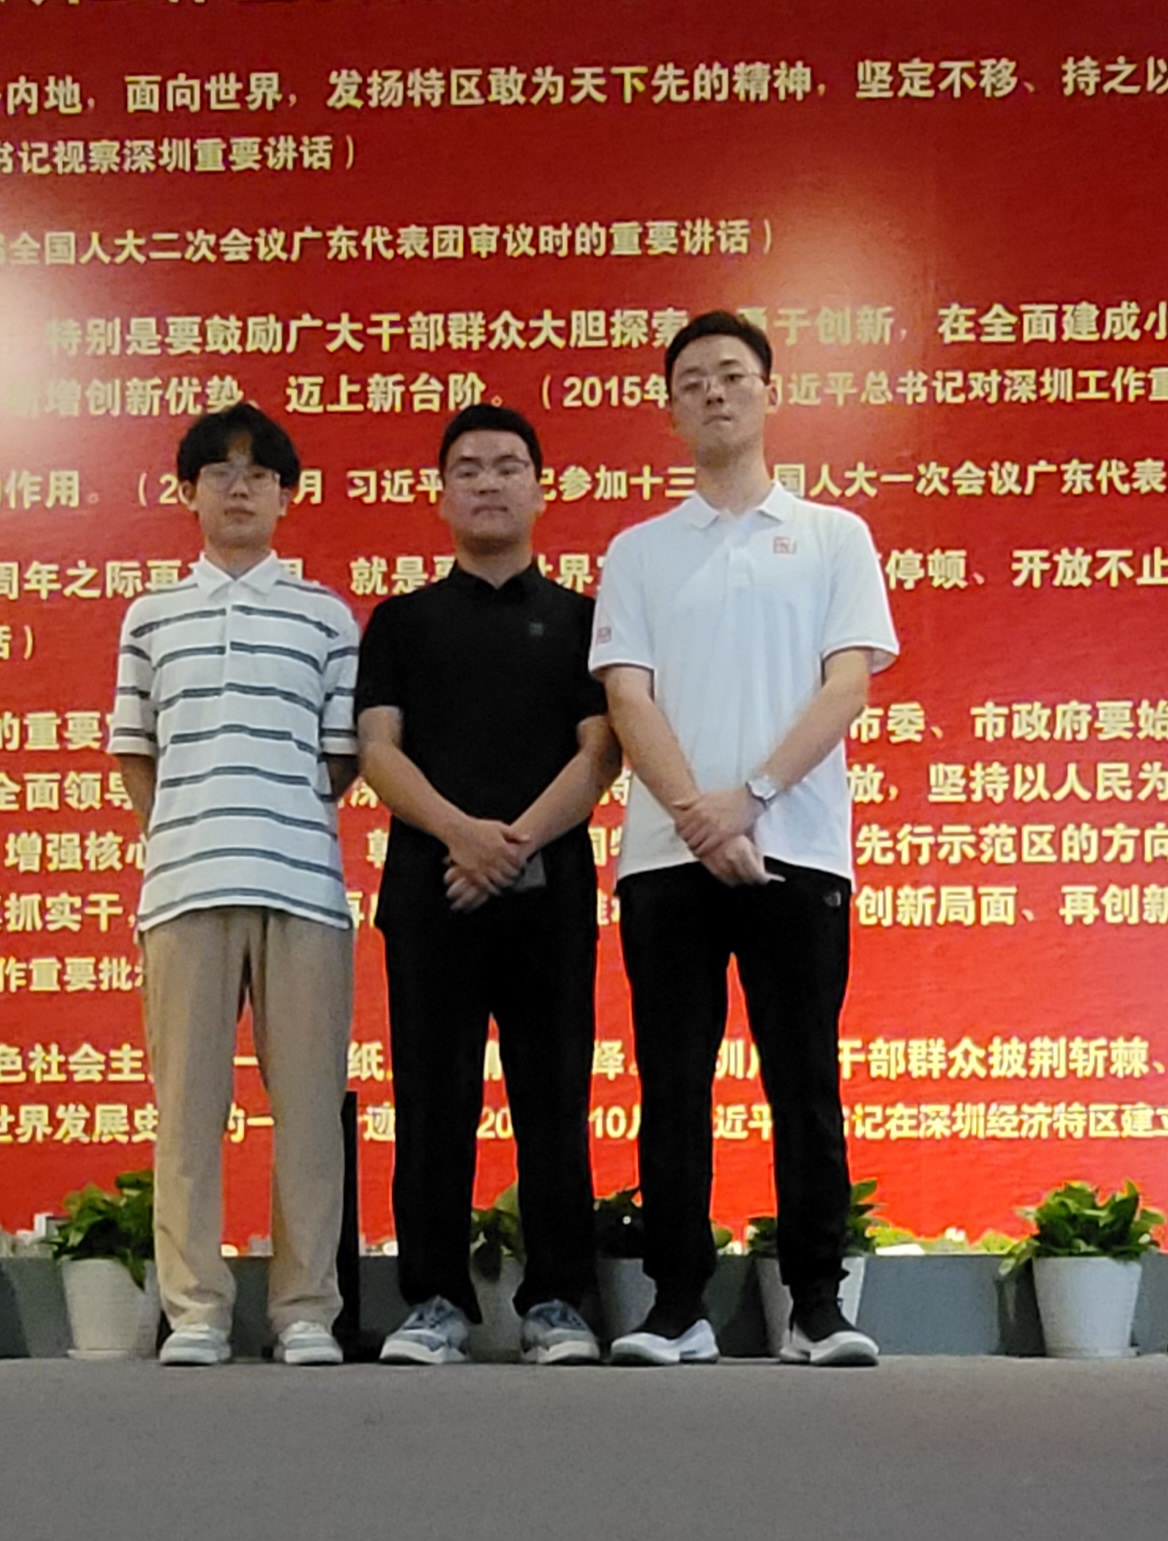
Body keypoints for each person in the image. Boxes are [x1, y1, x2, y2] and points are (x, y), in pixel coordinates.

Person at [589, 311, 899, 1367]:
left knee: (804, 1077)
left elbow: (846, 684)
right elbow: (628, 696)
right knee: (672, 1082)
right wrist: (696, 812)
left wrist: (752, 797)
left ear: (770, 390)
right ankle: (676, 1304)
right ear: (671, 409)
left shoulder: (833, 535)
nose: (714, 392)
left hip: (796, 848)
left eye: (731, 374)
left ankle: (816, 1304)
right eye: (692, 381)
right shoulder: (639, 551)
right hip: (666, 857)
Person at [355, 403, 620, 1367]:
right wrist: (463, 837)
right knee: (433, 1101)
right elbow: (377, 750)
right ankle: (435, 1299)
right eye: (467, 468)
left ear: (541, 489)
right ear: (441, 495)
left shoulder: (585, 622)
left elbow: (600, 752)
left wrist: (512, 846)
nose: (489, 481)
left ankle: (556, 1301)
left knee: (554, 1098)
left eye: (509, 465)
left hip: (550, 896)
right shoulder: (400, 621)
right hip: (432, 891)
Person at [110, 400, 360, 1367]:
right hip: (183, 889)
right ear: (187, 491)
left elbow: (340, 757)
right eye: (220, 471)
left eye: (260, 473)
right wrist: (187, 829)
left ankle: (305, 1310)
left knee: (309, 1110)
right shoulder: (151, 616)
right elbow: (136, 750)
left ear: (287, 495)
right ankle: (197, 1311)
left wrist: (273, 814)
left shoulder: (326, 615)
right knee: (188, 1110)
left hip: (303, 888)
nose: (241, 487)